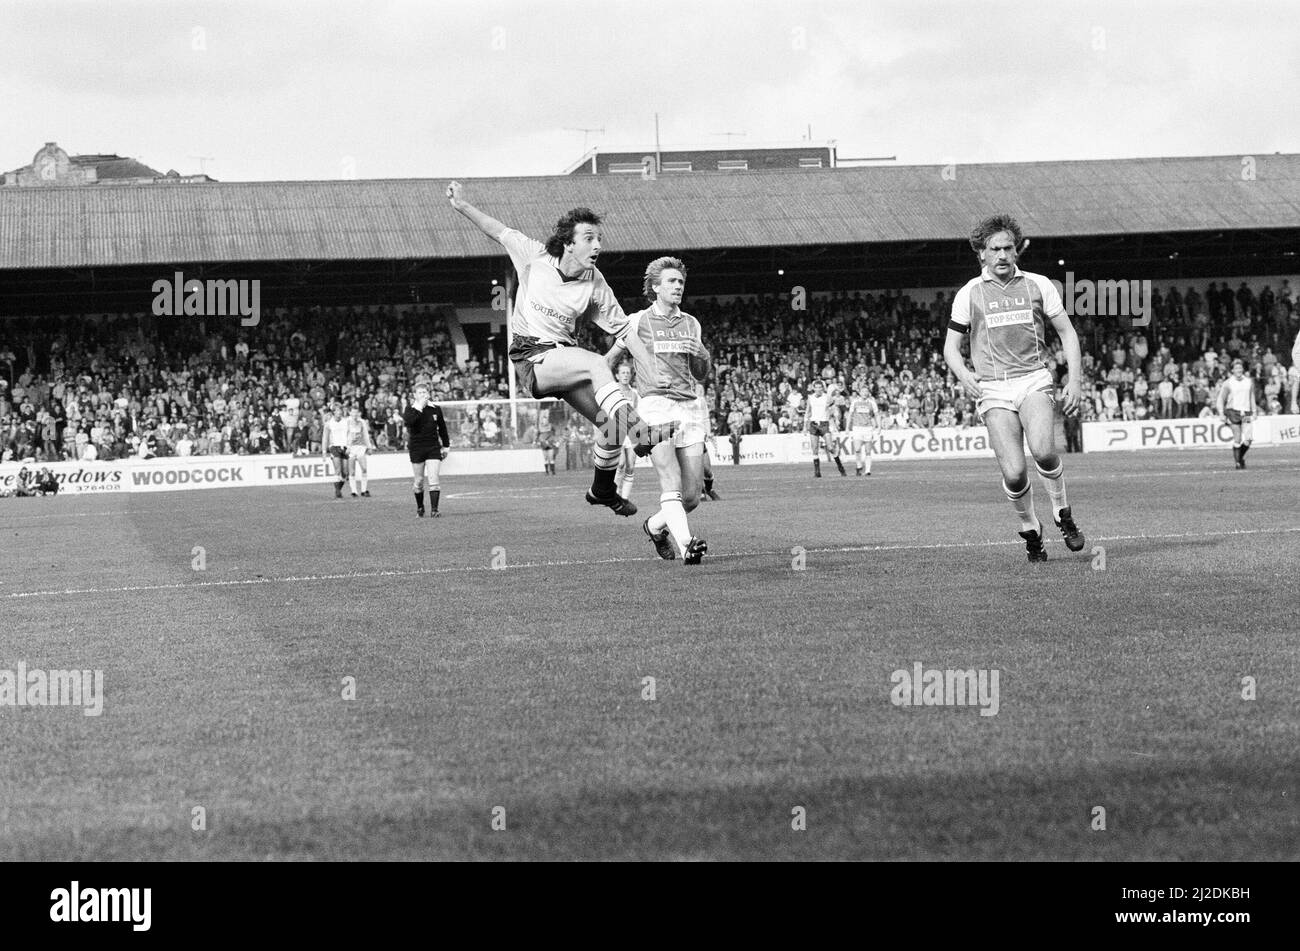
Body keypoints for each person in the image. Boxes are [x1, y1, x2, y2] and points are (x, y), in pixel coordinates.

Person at [446, 181, 671, 518]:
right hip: (532, 356)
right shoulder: (535, 255)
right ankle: (639, 432)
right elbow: (498, 231)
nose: (597, 245)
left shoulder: (595, 281)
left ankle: (602, 489)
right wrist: (462, 205)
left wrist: (651, 367)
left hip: (563, 358)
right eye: (589, 238)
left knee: (608, 426)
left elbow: (624, 329)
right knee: (598, 363)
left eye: (599, 239)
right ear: (568, 243)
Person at [943, 214, 1086, 563]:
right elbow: (950, 347)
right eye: (995, 249)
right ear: (982, 253)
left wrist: (1075, 380)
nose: (1003, 255)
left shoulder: (1039, 285)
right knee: (1014, 472)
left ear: (1017, 250)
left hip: (1033, 379)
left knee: (1043, 451)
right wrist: (963, 372)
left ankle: (1061, 512)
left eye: (1008, 248)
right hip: (993, 388)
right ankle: (1031, 530)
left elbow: (1067, 333)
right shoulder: (969, 294)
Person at [608, 257, 710, 565]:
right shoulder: (638, 321)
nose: (678, 286)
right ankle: (687, 545)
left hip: (689, 408)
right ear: (655, 287)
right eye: (671, 281)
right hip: (654, 407)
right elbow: (609, 360)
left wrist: (702, 354)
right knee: (670, 480)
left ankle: (654, 526)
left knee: (692, 496)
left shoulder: (691, 323)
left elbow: (701, 372)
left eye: (680, 282)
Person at [403, 383, 450, 517]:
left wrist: (446, 446)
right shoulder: (410, 409)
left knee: (434, 480)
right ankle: (420, 507)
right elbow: (409, 422)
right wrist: (420, 407)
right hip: (417, 448)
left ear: (428, 393)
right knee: (418, 482)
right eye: (420, 393)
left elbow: (442, 429)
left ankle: (434, 510)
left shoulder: (436, 409)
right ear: (415, 395)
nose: (423, 395)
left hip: (433, 447)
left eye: (425, 392)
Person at [1215, 359, 1256, 469]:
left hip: (1246, 413)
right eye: (1236, 368)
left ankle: (1240, 457)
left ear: (1243, 369)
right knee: (1237, 437)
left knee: (1248, 438)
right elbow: (1221, 399)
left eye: (1240, 367)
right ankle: (1238, 463)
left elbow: (1251, 397)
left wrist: (1255, 411)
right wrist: (1221, 413)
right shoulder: (1228, 383)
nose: (1238, 370)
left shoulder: (1249, 382)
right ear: (1232, 370)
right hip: (1233, 412)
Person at [805, 380, 846, 477]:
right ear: (813, 388)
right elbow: (808, 411)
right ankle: (817, 472)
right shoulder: (810, 398)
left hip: (824, 423)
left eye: (820, 387)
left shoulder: (827, 398)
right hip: (813, 424)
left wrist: (836, 419)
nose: (818, 389)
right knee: (814, 449)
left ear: (822, 388)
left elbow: (834, 408)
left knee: (831, 447)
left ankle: (840, 467)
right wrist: (805, 424)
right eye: (816, 387)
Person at [612, 361, 639, 502]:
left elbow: (638, 413)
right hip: (616, 432)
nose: (625, 375)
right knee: (620, 463)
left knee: (631, 466)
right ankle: (615, 494)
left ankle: (624, 498)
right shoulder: (613, 392)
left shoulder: (634, 394)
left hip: (632, 433)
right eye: (623, 372)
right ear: (617, 376)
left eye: (628, 373)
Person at [847, 383, 881, 475]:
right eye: (863, 391)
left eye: (866, 391)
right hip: (857, 428)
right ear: (859, 392)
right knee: (857, 449)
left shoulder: (872, 402)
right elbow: (850, 414)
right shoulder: (855, 402)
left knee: (868, 451)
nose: (865, 393)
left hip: (868, 428)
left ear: (868, 392)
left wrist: (879, 426)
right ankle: (859, 466)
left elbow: (877, 415)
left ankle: (868, 470)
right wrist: (847, 427)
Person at [321, 404, 350, 499]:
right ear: (334, 412)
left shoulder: (346, 422)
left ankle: (338, 489)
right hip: (334, 447)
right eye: (338, 410)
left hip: (344, 447)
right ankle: (338, 492)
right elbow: (325, 438)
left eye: (340, 410)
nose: (340, 412)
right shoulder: (329, 423)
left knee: (345, 473)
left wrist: (349, 446)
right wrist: (324, 451)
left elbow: (350, 434)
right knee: (337, 469)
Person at [346, 405, 376, 497]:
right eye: (353, 412)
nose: (355, 414)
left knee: (364, 469)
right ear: (350, 413)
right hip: (351, 448)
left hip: (360, 447)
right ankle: (354, 491)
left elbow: (366, 435)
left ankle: (364, 490)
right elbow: (344, 435)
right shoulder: (346, 422)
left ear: (358, 413)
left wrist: (369, 447)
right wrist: (346, 447)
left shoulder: (362, 422)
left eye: (356, 412)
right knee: (352, 471)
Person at [536, 402, 559, 475]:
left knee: (551, 457)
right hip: (544, 442)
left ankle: (553, 471)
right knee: (546, 458)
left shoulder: (549, 426)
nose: (544, 420)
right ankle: (547, 472)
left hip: (549, 442)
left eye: (545, 419)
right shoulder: (541, 427)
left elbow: (554, 432)